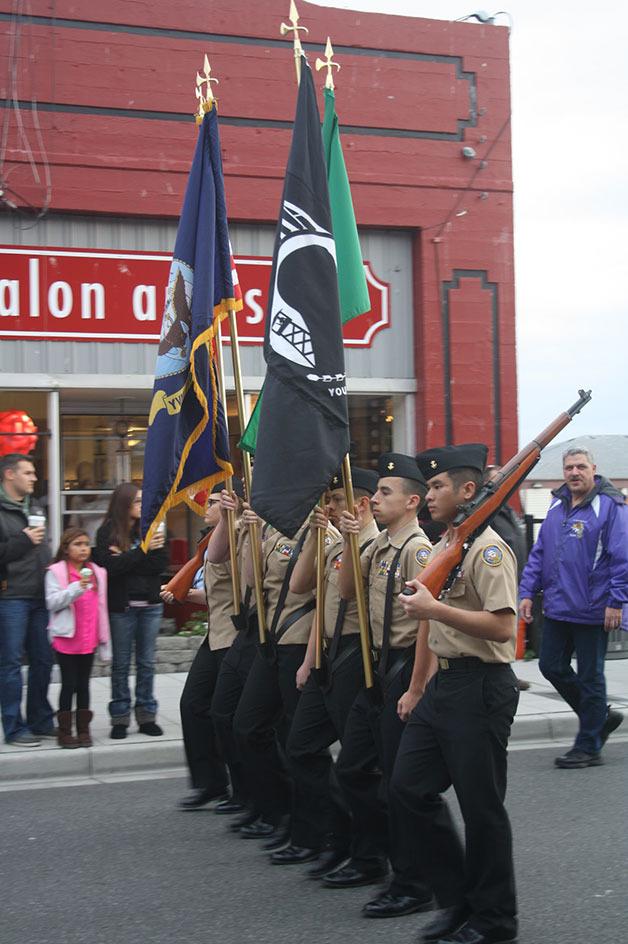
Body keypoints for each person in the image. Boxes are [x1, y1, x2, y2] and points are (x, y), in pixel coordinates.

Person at [390, 443, 520, 944]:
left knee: (482, 809)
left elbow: (503, 628)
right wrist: (418, 686)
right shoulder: (448, 545)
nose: (427, 494)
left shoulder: (488, 549)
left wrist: (436, 611)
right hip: (443, 685)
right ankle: (457, 900)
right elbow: (426, 621)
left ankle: (495, 920)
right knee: (407, 789)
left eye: (438, 485)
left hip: (481, 686)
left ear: (469, 490)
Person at [327, 453, 435, 920]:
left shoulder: (417, 549)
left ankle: (412, 881)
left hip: (400, 667)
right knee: (352, 767)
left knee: (397, 782)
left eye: (386, 492)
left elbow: (427, 624)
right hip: (373, 669)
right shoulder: (379, 546)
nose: (377, 499)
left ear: (412, 502)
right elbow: (348, 590)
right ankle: (371, 856)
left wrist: (414, 686)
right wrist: (354, 543)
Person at [274, 467, 380, 874]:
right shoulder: (334, 543)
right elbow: (306, 590)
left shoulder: (369, 544)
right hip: (328, 653)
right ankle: (332, 834)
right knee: (301, 746)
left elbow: (354, 596)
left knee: (358, 763)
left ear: (360, 503)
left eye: (336, 500)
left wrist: (345, 536)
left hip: (357, 656)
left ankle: (362, 847)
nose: (329, 507)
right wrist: (310, 659)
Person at [231, 506, 336, 846]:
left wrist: (311, 659)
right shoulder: (277, 530)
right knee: (248, 726)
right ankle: (278, 811)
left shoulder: (323, 535)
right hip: (272, 641)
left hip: (299, 643)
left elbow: (325, 603)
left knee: (299, 744)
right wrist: (249, 534)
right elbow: (252, 581)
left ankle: (315, 829)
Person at [519, 447, 628, 768]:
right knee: (550, 666)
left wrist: (617, 601)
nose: (574, 472)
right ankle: (599, 718)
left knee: (591, 676)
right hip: (557, 607)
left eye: (581, 466)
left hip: (594, 608)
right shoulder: (557, 504)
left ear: (593, 469)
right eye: (569, 467)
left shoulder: (610, 507)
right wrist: (527, 591)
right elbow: (540, 552)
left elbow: (622, 557)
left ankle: (588, 746)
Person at [163, 482, 243, 811]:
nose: (205, 506)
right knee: (193, 704)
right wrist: (184, 592)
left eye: (213, 501)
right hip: (216, 634)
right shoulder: (210, 538)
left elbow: (242, 592)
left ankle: (247, 790)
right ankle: (210, 783)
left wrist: (187, 595)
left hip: (235, 636)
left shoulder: (239, 534)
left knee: (232, 717)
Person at [93, 482, 168, 739]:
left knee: (146, 663)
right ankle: (120, 717)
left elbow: (160, 564)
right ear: (124, 504)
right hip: (122, 607)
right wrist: (143, 552)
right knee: (121, 664)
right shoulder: (106, 533)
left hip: (150, 606)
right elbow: (109, 569)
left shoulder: (151, 527)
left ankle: (147, 715)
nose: (142, 506)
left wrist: (128, 557)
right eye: (137, 501)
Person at [0, 453, 54, 746]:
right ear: (10, 474)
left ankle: (41, 720)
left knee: (43, 660)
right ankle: (14, 727)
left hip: (39, 594)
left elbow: (40, 547)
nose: (34, 477)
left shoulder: (33, 506)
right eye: (28, 473)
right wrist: (24, 540)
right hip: (10, 596)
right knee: (9, 665)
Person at [45, 527, 111, 748]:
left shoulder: (97, 572)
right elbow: (52, 602)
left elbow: (101, 607)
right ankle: (64, 732)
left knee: (84, 685)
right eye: (77, 544)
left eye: (85, 544)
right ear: (66, 548)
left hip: (88, 639)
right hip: (66, 639)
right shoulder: (55, 571)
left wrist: (104, 639)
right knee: (69, 684)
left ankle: (84, 730)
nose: (83, 549)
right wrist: (75, 588)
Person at [484, 464, 530, 692]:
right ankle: (504, 673)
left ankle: (508, 670)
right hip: (500, 582)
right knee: (500, 631)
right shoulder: (488, 513)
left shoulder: (508, 511)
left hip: (516, 580)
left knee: (510, 632)